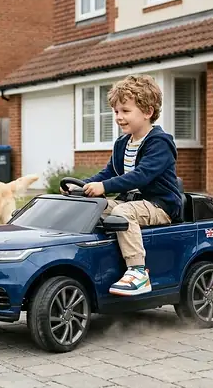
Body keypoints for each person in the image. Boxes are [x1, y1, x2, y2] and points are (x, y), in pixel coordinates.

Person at [63, 74, 183, 296]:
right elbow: (109, 172)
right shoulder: (122, 143)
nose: (119, 117)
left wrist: (104, 187)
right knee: (93, 206)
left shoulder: (160, 142)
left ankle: (138, 272)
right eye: (116, 111)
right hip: (131, 203)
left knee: (122, 212)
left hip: (160, 206)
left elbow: (141, 176)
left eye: (125, 111)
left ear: (147, 112)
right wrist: (84, 187)